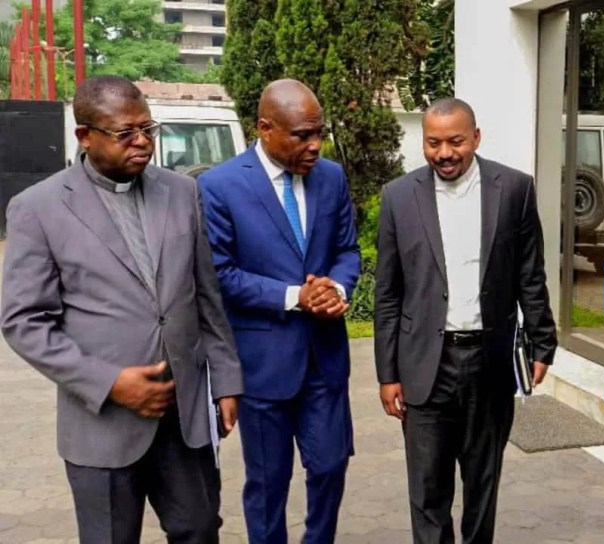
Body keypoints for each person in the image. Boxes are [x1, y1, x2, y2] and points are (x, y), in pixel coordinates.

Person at [0, 75, 243, 543]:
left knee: (199, 530)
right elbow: (24, 322)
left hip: (183, 414)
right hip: (102, 425)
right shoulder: (38, 208)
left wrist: (227, 380)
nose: (142, 142)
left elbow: (205, 295)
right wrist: (109, 383)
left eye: (147, 129)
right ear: (85, 135)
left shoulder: (182, 192)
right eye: (124, 133)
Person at [374, 97, 558, 544]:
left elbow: (530, 274)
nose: (444, 153)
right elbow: (388, 292)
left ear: (475, 137)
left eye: (455, 141)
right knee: (427, 490)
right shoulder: (398, 196)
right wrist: (387, 373)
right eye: (433, 143)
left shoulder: (514, 189)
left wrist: (543, 341)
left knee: (482, 484)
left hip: (488, 363)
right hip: (423, 365)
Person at [197, 79, 361, 544]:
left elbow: (347, 250)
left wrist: (335, 288)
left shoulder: (331, 177)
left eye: (319, 133)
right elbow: (220, 274)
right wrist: (295, 296)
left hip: (324, 359)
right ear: (265, 128)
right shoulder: (219, 186)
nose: (315, 145)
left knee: (330, 466)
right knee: (269, 484)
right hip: (262, 366)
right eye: (302, 135)